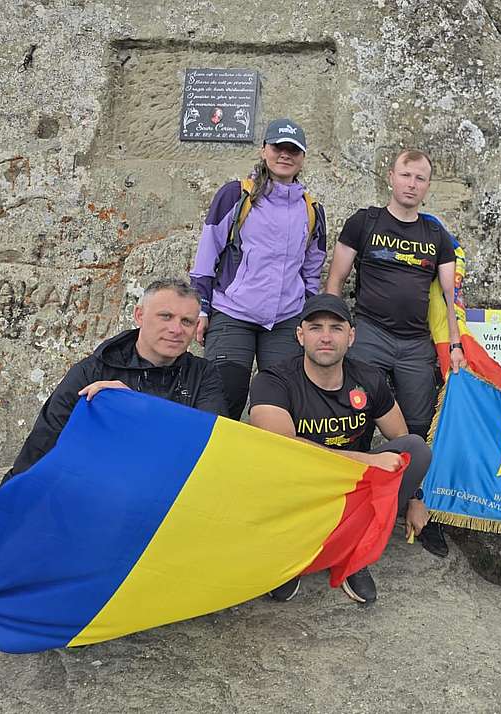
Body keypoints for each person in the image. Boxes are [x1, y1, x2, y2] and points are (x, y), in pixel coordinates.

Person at [0, 279, 227, 598]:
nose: (176, 329)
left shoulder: (204, 375)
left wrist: (136, 406)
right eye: (166, 316)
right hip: (95, 507)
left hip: (169, 508)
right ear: (139, 315)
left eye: (187, 321)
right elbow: (36, 458)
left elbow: (211, 448)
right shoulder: (91, 373)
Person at [248, 293, 438, 605]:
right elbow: (281, 447)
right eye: (316, 328)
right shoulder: (273, 380)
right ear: (300, 335)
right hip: (295, 490)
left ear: (351, 337)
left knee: (417, 450)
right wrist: (366, 460)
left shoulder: (368, 377)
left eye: (336, 328)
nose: (326, 337)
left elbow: (402, 438)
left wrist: (415, 498)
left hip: (349, 491)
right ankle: (292, 551)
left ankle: (353, 550)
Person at [324, 148, 464, 557]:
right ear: (391, 176)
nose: (411, 184)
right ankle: (349, 503)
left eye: (420, 178)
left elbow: (450, 296)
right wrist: (334, 331)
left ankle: (414, 502)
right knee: (356, 413)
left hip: (415, 342)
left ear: (427, 186)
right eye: (406, 175)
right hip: (369, 332)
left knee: (417, 425)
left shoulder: (436, 235)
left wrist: (456, 345)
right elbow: (336, 279)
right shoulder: (364, 222)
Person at [190, 117, 327, 419]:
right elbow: (207, 252)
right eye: (278, 147)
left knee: (282, 404)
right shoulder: (236, 195)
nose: (285, 155)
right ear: (264, 150)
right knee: (224, 398)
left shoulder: (312, 209)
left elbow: (312, 269)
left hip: (285, 319)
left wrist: (307, 315)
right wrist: (201, 308)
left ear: (303, 157)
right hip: (232, 312)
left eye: (293, 150)